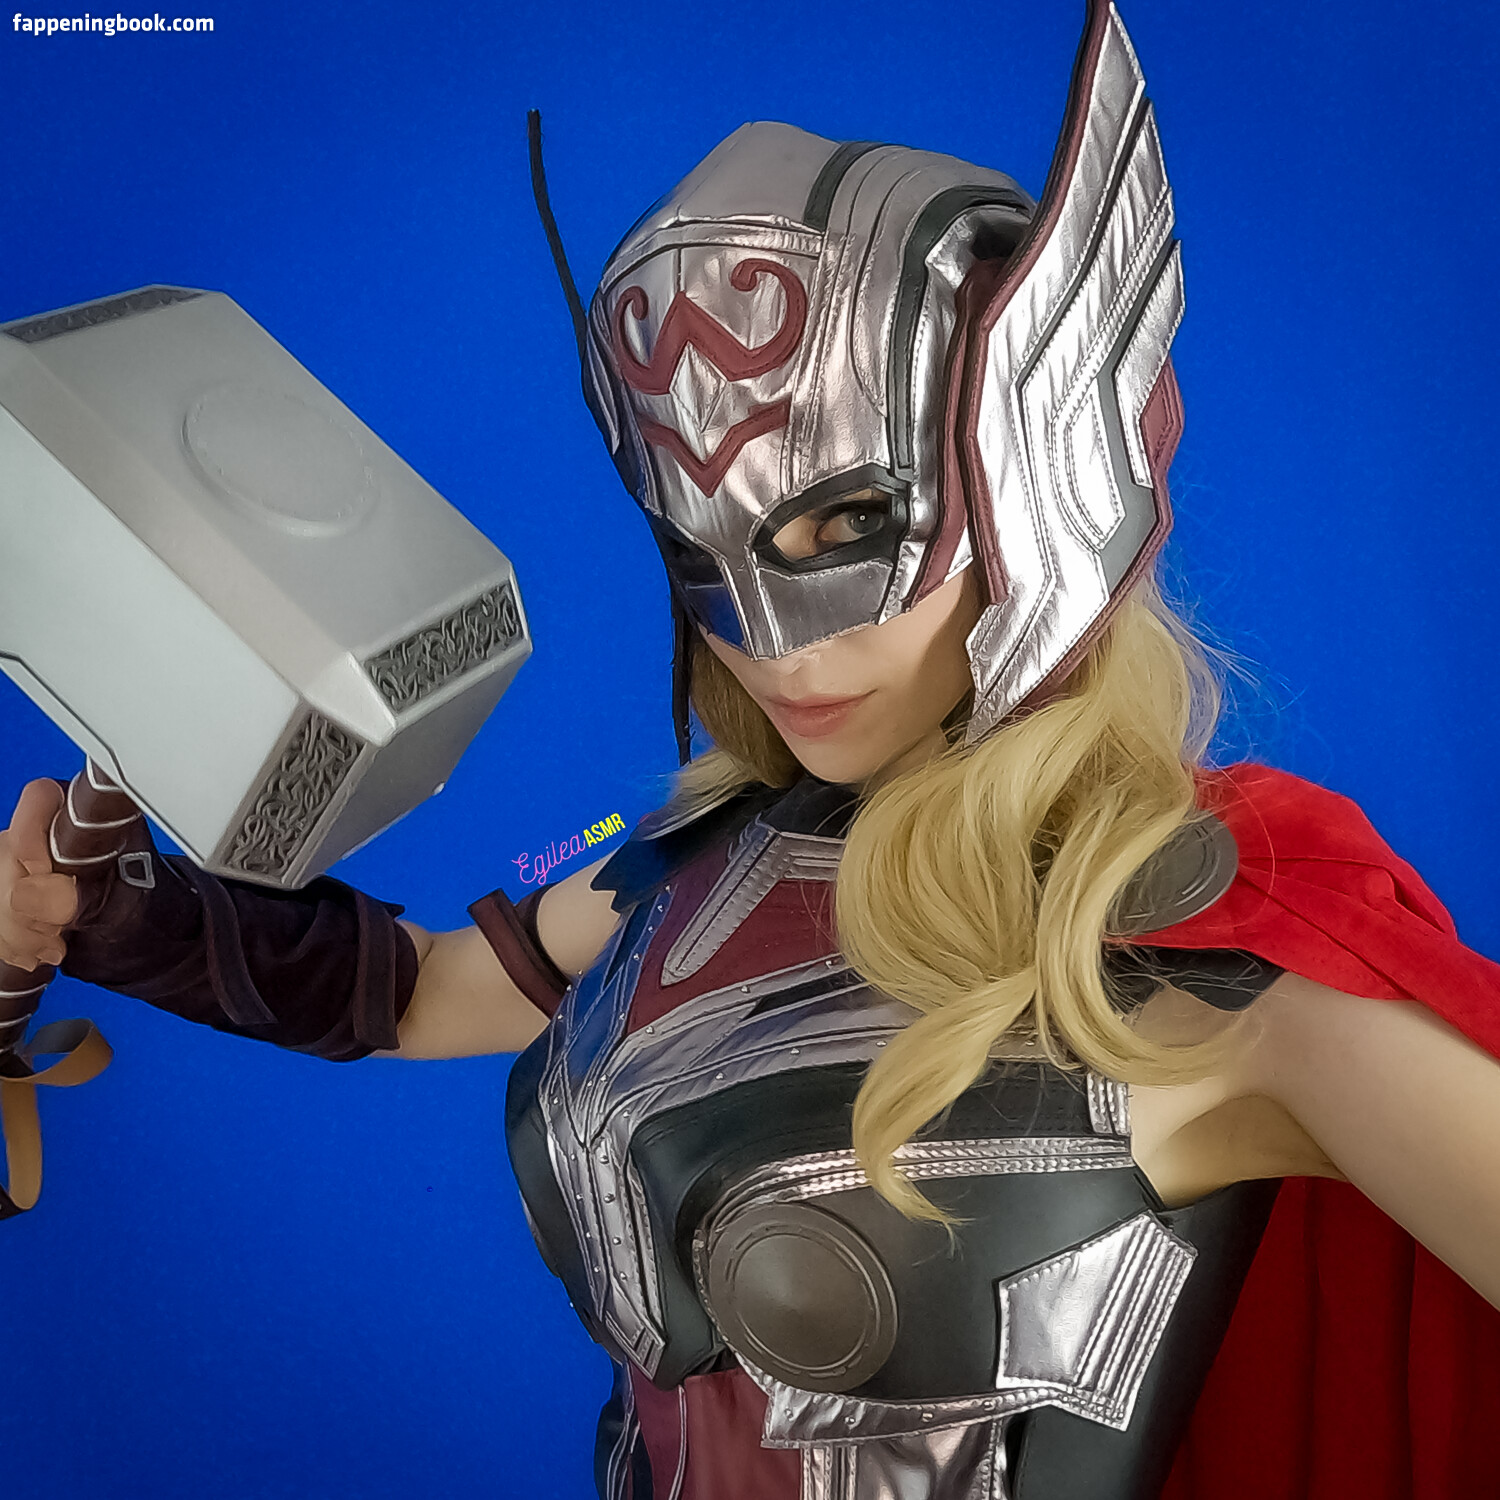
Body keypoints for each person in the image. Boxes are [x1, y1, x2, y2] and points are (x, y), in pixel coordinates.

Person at [2, 4, 1499, 1497]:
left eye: (848, 526)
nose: (777, 649)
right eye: (701, 555)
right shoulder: (701, 850)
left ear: (1037, 474)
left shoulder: (1225, 942)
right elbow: (421, 990)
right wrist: (123, 918)